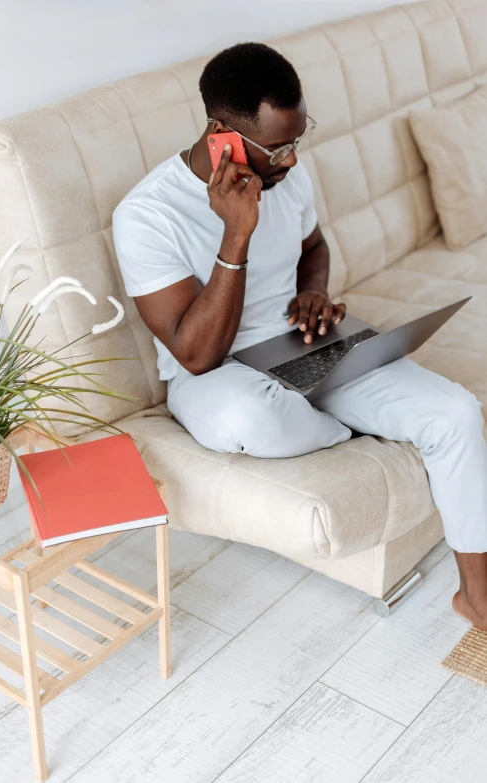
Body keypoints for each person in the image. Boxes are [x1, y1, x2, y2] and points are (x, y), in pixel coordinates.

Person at [113, 42, 487, 628]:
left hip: (301, 342)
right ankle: (347, 423)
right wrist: (237, 234)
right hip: (219, 373)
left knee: (457, 413)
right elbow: (195, 354)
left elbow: (313, 247)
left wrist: (313, 291)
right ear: (222, 135)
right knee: (248, 418)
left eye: (297, 138)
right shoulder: (146, 215)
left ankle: (476, 596)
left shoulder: (288, 170)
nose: (290, 161)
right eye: (277, 147)